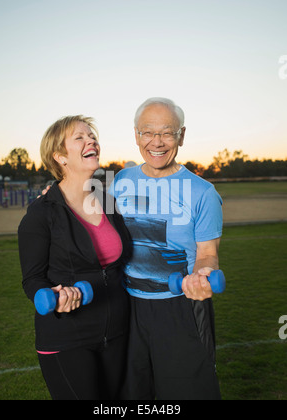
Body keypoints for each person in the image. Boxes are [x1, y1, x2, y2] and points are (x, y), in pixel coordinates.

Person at [108, 97, 223, 400]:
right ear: (136, 135)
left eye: (167, 133)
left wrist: (203, 275)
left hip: (180, 308)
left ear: (181, 136)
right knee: (131, 395)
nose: (156, 142)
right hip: (127, 308)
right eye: (148, 132)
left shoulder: (203, 192)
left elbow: (207, 253)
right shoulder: (119, 182)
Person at [18, 115, 131, 400]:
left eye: (91, 135)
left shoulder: (109, 202)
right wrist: (52, 294)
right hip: (67, 337)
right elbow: (32, 279)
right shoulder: (41, 213)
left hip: (118, 331)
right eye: (79, 137)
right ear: (60, 157)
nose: (90, 140)